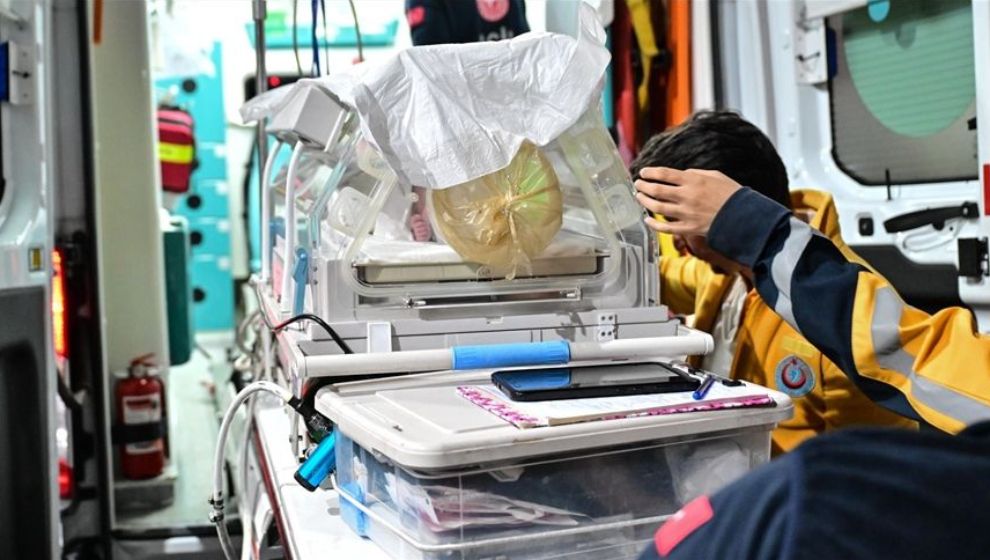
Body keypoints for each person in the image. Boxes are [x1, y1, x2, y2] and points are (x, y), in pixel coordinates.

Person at [633, 166, 990, 559]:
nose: (679, 244)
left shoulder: (808, 489)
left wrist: (753, 229)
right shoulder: (723, 282)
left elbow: (903, 354)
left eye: (676, 222)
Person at [631, 111, 914, 454]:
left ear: (725, 213)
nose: (677, 242)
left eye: (679, 220)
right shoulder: (724, 274)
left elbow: (877, 469)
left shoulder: (844, 314)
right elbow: (657, 277)